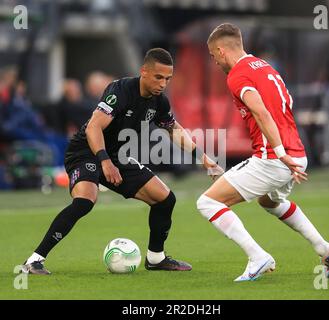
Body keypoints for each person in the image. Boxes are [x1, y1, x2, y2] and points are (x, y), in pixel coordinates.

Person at [22, 48, 223, 275]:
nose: (162, 83)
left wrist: (204, 159)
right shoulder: (120, 90)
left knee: (165, 199)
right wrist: (104, 161)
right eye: (158, 77)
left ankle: (156, 258)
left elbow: (174, 130)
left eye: (167, 79)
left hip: (116, 156)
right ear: (143, 72)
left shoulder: (159, 102)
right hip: (85, 152)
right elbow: (94, 127)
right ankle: (34, 260)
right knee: (85, 200)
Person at [196, 23, 329, 282]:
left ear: (220, 50)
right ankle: (324, 248)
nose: (214, 62)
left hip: (275, 157)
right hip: (297, 153)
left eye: (212, 56)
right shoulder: (265, 67)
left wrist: (278, 151)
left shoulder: (238, 75)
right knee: (269, 201)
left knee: (207, 202)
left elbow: (261, 111)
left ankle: (258, 257)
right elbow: (286, 104)